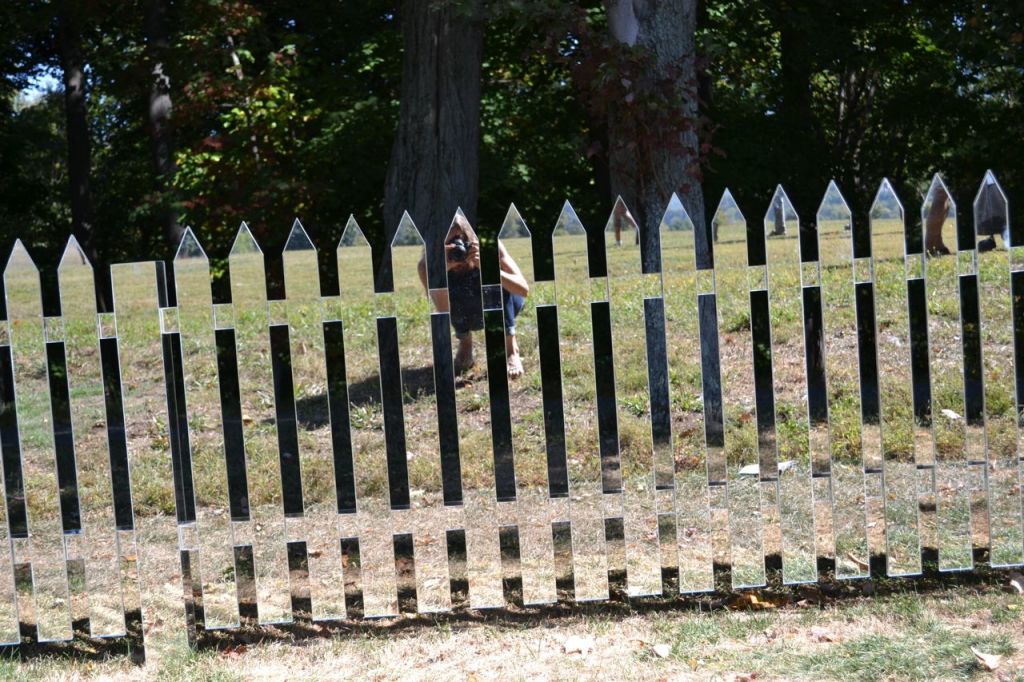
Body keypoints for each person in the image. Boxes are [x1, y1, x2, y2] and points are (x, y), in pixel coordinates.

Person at [417, 214, 530, 379]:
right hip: (463, 307)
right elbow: (442, 310)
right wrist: (441, 273)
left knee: (496, 286)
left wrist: (488, 267)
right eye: (447, 244)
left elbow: (523, 289)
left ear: (469, 237)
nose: (456, 248)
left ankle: (511, 350)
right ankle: (465, 344)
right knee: (452, 290)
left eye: (458, 240)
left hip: (508, 301)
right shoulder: (426, 265)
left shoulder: (488, 247)